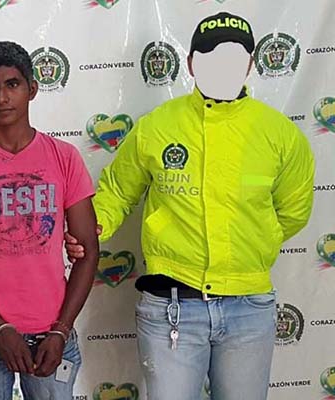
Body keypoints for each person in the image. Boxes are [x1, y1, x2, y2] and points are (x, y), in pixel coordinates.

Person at [65, 12, 315, 400]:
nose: (223, 68)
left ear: (250, 64)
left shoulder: (280, 134)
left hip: (248, 309)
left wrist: (252, 242)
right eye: (211, 58)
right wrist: (90, 231)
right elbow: (117, 191)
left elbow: (293, 210)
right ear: (192, 63)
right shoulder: (158, 126)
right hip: (171, 309)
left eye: (234, 59)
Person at [0, 41, 99, 400]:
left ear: (32, 89)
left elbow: (88, 250)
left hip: (51, 331)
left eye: (12, 84)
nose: (2, 97)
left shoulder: (64, 157)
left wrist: (61, 330)